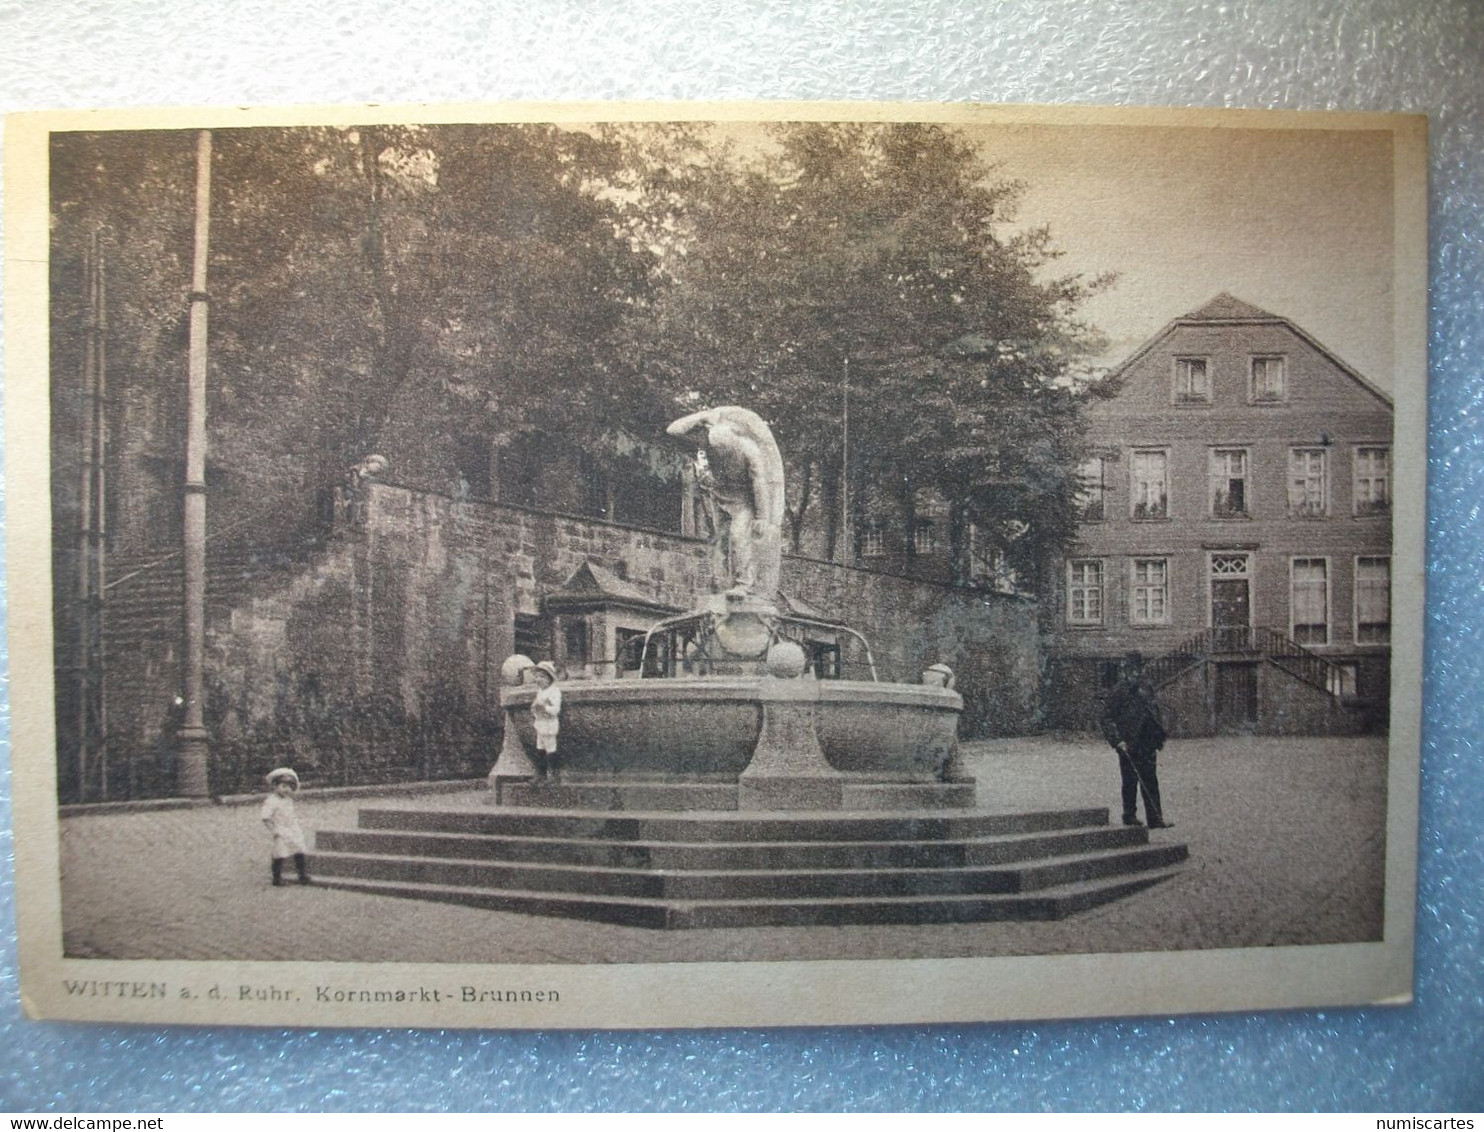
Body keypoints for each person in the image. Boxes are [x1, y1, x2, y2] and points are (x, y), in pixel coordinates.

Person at [666, 406, 785, 601]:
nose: (721, 456)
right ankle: (722, 584)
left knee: (738, 536)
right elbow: (673, 430)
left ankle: (744, 585)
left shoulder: (749, 450)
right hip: (718, 496)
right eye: (717, 451)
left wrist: (762, 517)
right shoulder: (707, 443)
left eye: (725, 452)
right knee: (718, 542)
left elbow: (760, 484)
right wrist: (702, 415)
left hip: (743, 500)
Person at [1099, 651, 1172, 829]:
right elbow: (1106, 718)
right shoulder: (1118, 691)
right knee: (1130, 781)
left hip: (1147, 742)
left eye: (1137, 669)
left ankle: (1155, 819)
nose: (1134, 673)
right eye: (1130, 669)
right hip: (1128, 743)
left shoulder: (1146, 688)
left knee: (1151, 781)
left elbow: (1153, 711)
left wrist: (1158, 733)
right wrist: (1117, 741)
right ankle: (1129, 816)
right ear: (1124, 670)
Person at [260, 766, 310, 885]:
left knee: (299, 849)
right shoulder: (271, 801)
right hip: (280, 829)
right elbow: (265, 818)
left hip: (292, 828)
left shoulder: (288, 800)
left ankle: (302, 875)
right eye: (283, 786)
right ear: (275, 786)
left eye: (289, 787)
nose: (286, 790)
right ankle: (276, 878)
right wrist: (274, 830)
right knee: (280, 853)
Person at [530, 661, 563, 782]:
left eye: (542, 677)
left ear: (549, 678)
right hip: (540, 725)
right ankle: (541, 774)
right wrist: (535, 709)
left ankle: (554, 775)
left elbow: (555, 710)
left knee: (551, 749)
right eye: (537, 676)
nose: (538, 679)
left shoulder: (554, 691)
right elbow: (535, 708)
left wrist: (544, 708)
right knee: (540, 748)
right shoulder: (540, 691)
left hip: (549, 725)